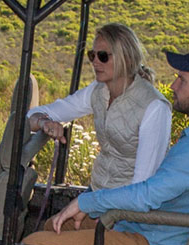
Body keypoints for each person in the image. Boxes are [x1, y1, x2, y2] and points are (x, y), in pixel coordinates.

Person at [23, 47, 189, 245]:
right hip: (146, 227)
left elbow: (146, 196)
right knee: (56, 225)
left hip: (153, 244)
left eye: (182, 80)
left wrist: (87, 202)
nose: (172, 85)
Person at [26, 22, 172, 190]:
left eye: (102, 56)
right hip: (98, 189)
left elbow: (142, 187)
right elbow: (34, 114)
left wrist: (92, 208)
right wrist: (44, 122)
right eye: (91, 55)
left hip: (128, 204)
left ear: (126, 58)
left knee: (57, 218)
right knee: (55, 218)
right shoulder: (98, 91)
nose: (95, 62)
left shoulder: (154, 107)